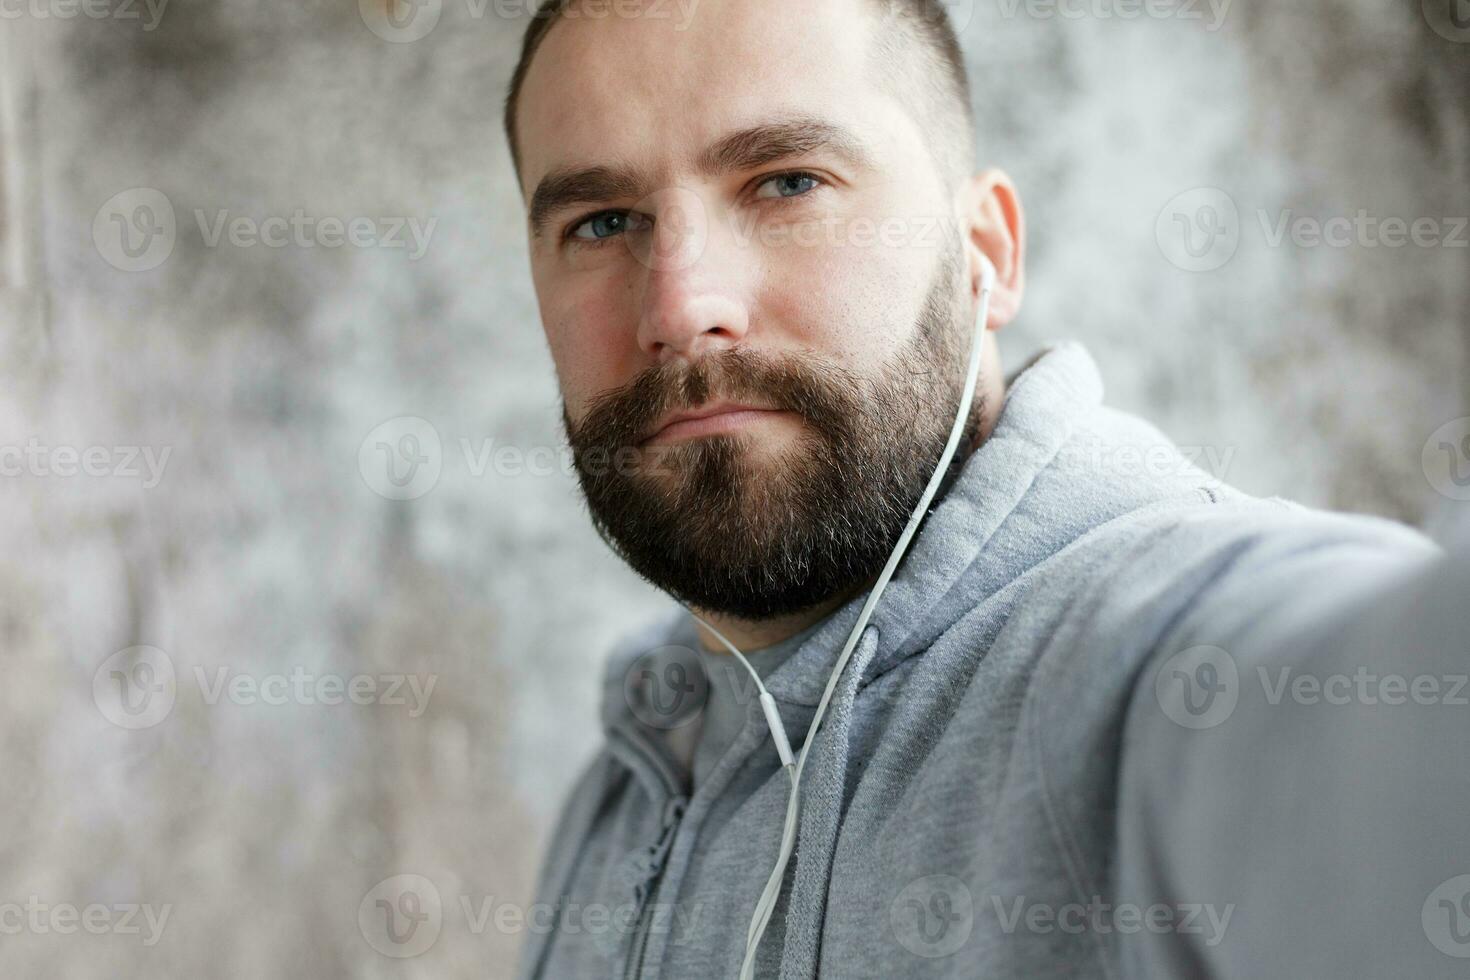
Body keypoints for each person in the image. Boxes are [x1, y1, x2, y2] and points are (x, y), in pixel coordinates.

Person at [503, 0, 1470, 976]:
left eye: (788, 182)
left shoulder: (1164, 662)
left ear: (989, 254)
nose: (680, 305)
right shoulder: (631, 778)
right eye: (603, 222)